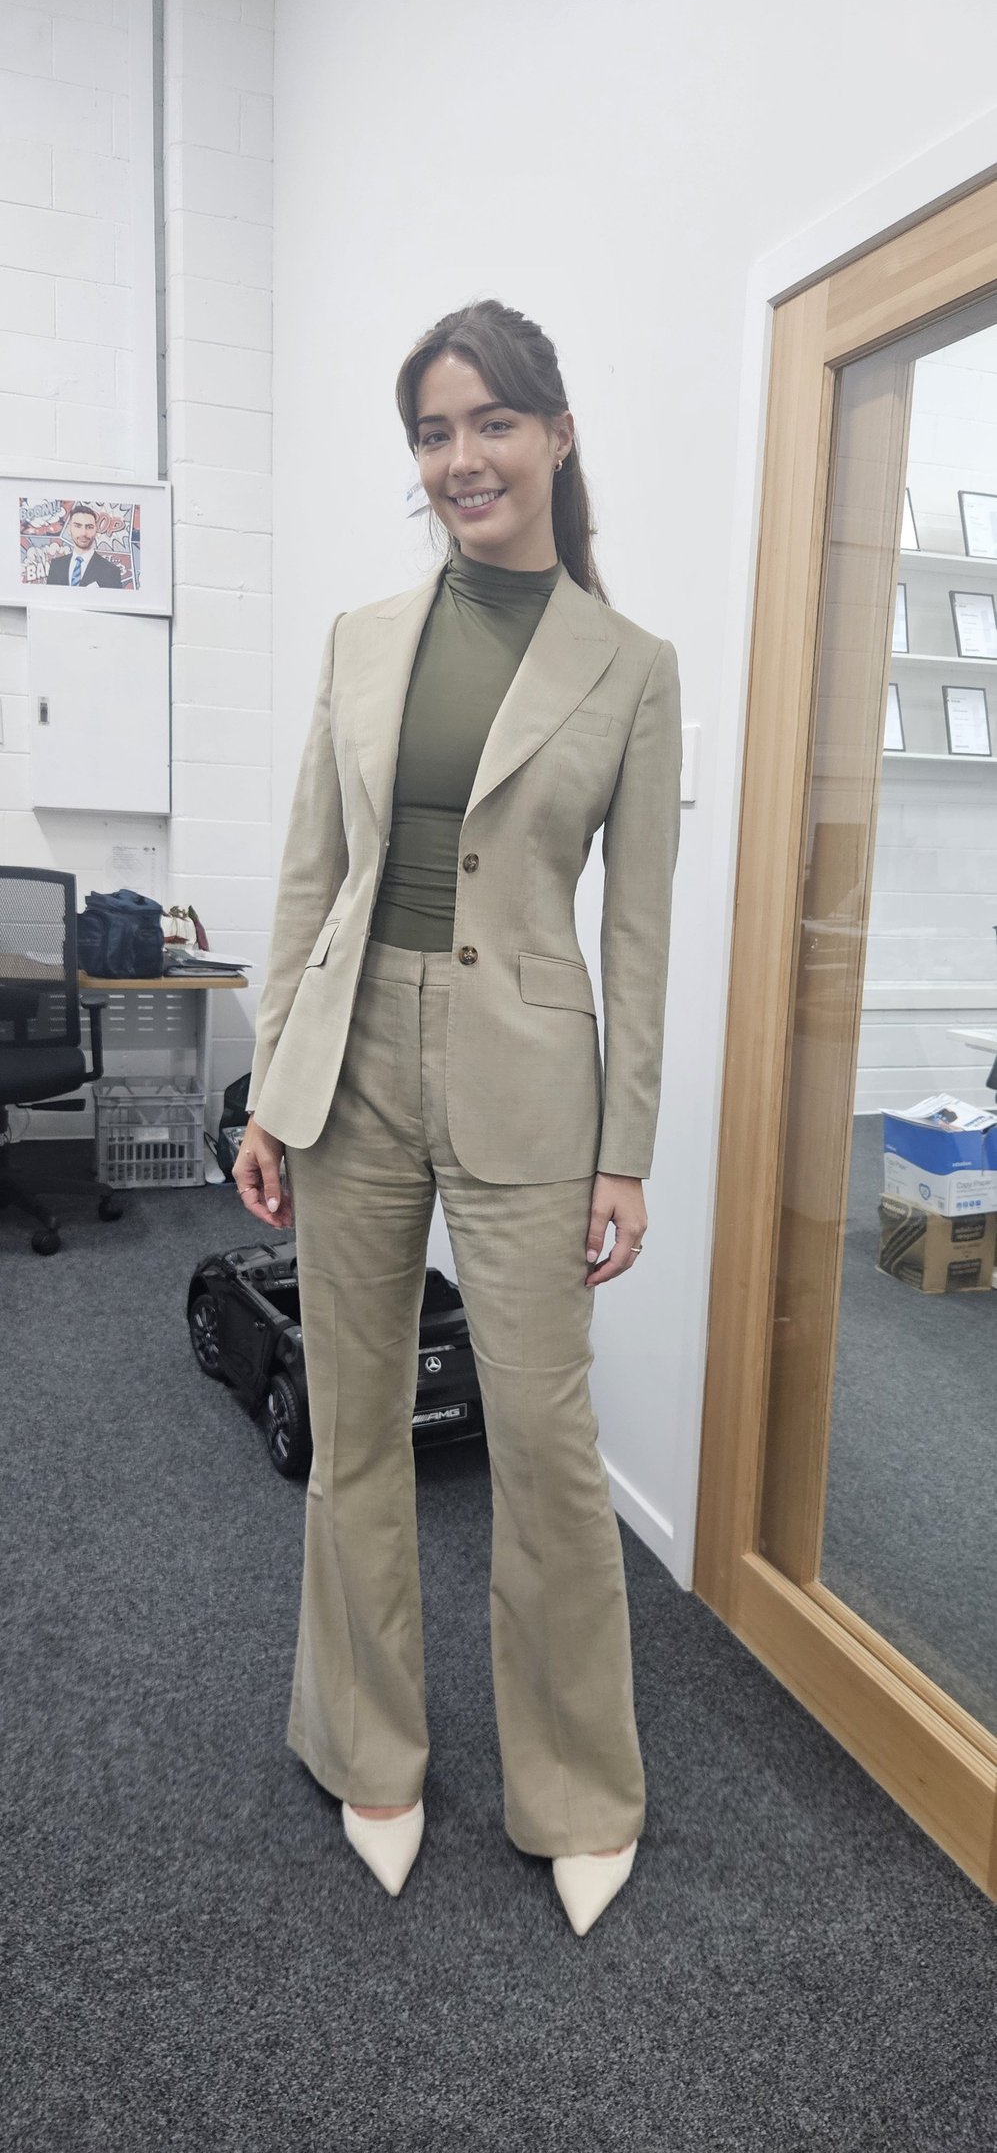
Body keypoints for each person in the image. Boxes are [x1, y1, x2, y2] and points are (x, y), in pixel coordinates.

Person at [234, 298, 682, 1937]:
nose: (460, 458)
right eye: (431, 432)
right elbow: (310, 876)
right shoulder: (361, 636)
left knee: (546, 1451)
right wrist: (273, 1081)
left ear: (554, 434)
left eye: (489, 421)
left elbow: (635, 930)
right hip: (349, 1063)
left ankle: (575, 1785)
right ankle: (368, 1745)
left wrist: (624, 1145)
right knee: (351, 1427)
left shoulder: (632, 668)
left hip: (528, 1081)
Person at [46, 504, 123, 588]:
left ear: (96, 531)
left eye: (89, 527)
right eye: (78, 526)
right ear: (69, 529)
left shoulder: (111, 571)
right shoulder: (56, 565)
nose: (83, 533)